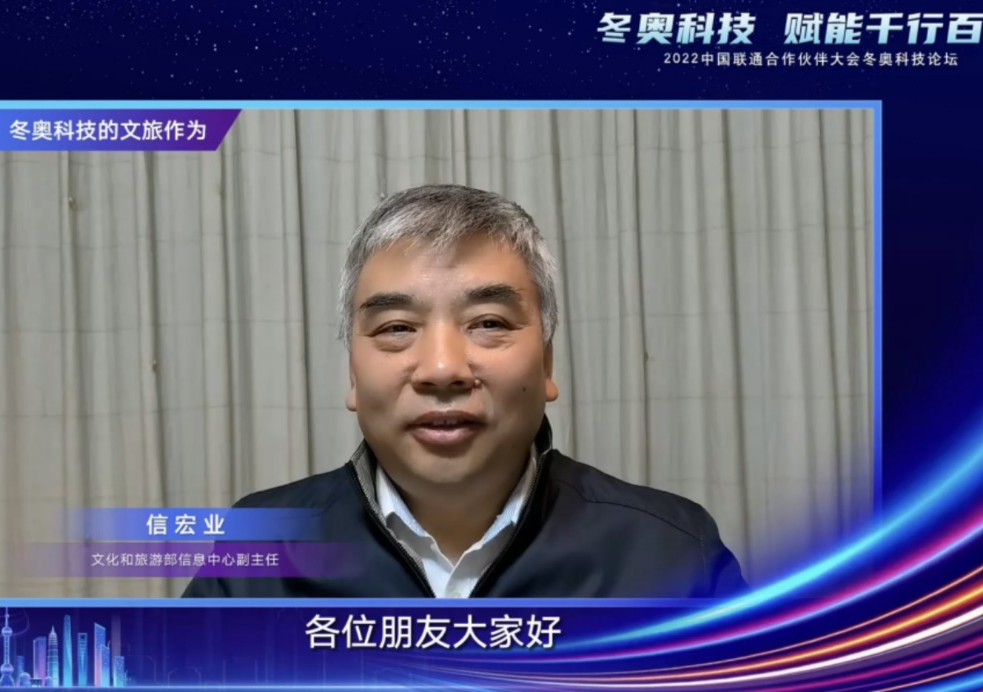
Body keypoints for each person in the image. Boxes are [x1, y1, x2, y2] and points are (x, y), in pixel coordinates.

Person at [183, 184, 748, 598]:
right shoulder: (256, 559)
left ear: (547, 363)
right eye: (396, 328)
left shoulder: (673, 554)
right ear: (353, 375)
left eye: (488, 323)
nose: (442, 368)